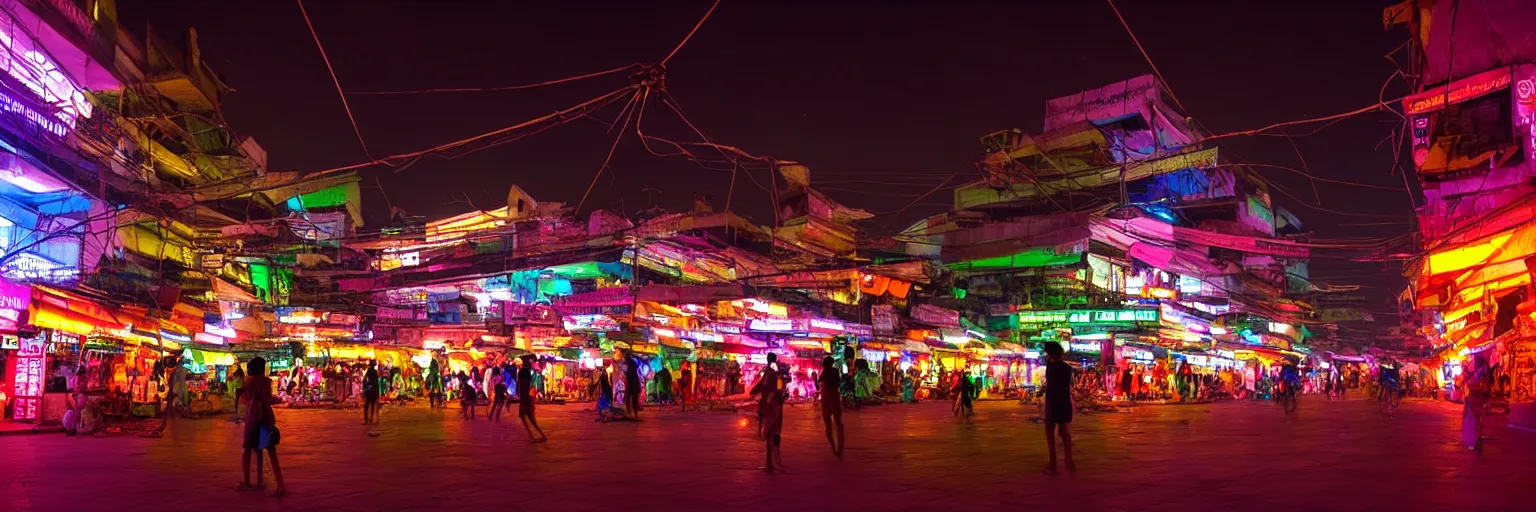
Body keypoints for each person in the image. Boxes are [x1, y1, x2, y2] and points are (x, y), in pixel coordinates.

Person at [237, 357, 286, 497]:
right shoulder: (266, 382)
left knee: (248, 449)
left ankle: (248, 482)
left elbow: (247, 398)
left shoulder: (249, 381)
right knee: (270, 451)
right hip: (265, 417)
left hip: (253, 417)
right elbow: (268, 399)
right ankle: (279, 484)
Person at [1041, 342, 1075, 474]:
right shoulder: (1067, 368)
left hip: (1053, 402)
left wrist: (1043, 391)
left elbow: (1051, 386)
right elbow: (1064, 386)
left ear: (1049, 354)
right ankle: (1069, 461)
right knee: (1064, 433)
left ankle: (1052, 464)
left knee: (1050, 434)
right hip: (1064, 402)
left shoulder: (1051, 367)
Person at [751, 354, 786, 471]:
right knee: (769, 434)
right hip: (769, 407)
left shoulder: (771, 373)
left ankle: (771, 463)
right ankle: (770, 462)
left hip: (771, 407)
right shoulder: (770, 372)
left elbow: (773, 390)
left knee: (769, 434)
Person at [1463, 353, 1493, 452]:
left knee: (1476, 419)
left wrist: (1471, 386)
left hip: (1477, 399)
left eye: (1475, 360)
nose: (1473, 362)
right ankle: (1476, 440)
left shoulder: (1483, 371)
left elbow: (1483, 386)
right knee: (1476, 420)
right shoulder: (1481, 370)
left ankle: (1476, 440)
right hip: (1475, 399)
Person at [818, 356, 844, 457]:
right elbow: (837, 383)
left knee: (828, 424)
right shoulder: (834, 372)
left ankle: (834, 447)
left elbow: (821, 384)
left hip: (826, 401)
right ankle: (839, 447)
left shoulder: (823, 374)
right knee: (838, 422)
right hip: (833, 399)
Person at [517, 355, 547, 442]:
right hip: (527, 398)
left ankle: (539, 435)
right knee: (524, 416)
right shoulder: (527, 372)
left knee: (530, 417)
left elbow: (522, 387)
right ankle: (533, 435)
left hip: (525, 398)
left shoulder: (523, 372)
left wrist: (523, 400)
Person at [623, 350, 642, 418]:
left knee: (628, 398)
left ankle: (629, 413)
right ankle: (635, 414)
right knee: (634, 399)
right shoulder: (634, 362)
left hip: (629, 382)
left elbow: (624, 373)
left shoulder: (625, 363)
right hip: (634, 382)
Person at [362, 360, 381, 425]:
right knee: (371, 405)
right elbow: (376, 382)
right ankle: (370, 419)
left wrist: (365, 387)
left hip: (369, 390)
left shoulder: (369, 371)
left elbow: (364, 380)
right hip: (372, 390)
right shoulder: (374, 372)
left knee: (367, 405)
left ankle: (367, 419)